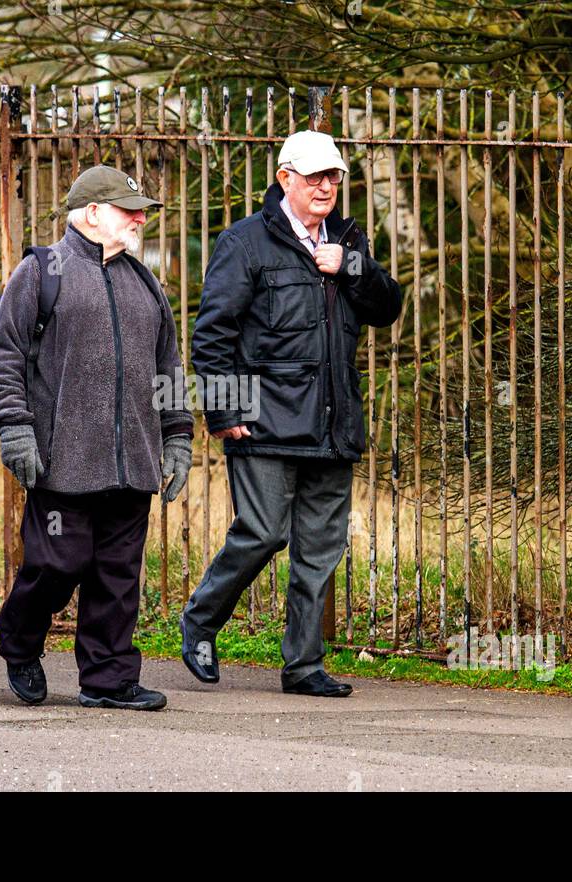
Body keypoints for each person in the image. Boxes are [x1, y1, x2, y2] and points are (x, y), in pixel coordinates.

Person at [181, 130, 403, 697]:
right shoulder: (246, 243)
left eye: (334, 177)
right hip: (264, 422)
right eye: (315, 177)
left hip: (332, 425)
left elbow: (387, 307)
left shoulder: (349, 239)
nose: (327, 186)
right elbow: (213, 334)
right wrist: (225, 408)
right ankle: (201, 622)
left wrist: (352, 266)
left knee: (321, 549)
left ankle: (303, 666)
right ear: (285, 179)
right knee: (261, 533)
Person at [0, 165, 194, 711]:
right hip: (63, 460)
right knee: (58, 563)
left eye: (142, 210)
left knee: (118, 576)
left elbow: (167, 365)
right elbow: (2, 356)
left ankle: (109, 679)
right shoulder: (41, 270)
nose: (140, 219)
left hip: (133, 463)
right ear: (93, 213)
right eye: (130, 210)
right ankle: (20, 641)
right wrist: (16, 429)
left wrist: (177, 438)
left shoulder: (145, 281)